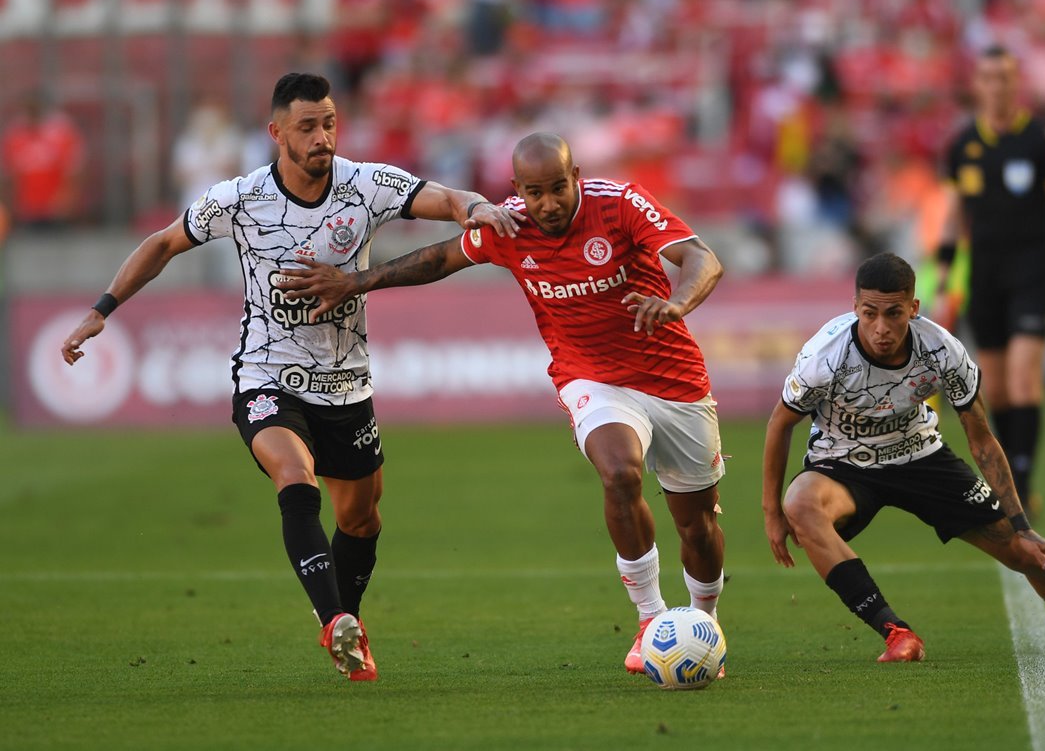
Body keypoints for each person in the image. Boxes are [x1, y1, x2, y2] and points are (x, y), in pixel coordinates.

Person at [60, 72, 523, 682]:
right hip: (267, 376)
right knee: (294, 473)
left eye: (329, 123)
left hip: (347, 384)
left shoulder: (367, 186)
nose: (322, 136)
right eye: (307, 126)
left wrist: (480, 206)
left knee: (362, 519)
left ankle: (346, 627)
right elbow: (164, 242)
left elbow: (447, 200)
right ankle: (332, 619)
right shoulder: (241, 198)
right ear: (277, 132)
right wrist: (101, 310)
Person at [276, 132, 727, 675]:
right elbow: (439, 259)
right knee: (620, 473)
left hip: (673, 379)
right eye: (535, 192)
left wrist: (676, 302)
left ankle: (704, 627)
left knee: (697, 527)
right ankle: (651, 620)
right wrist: (356, 282)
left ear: (576, 175)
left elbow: (702, 258)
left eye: (559, 188)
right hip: (591, 378)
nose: (548, 203)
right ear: (518, 190)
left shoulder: (620, 204)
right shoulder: (509, 225)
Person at [762, 252, 1045, 662]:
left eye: (893, 314)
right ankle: (896, 632)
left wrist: (1023, 525)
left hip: (920, 455)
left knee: (1021, 551)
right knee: (800, 504)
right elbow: (779, 425)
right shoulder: (826, 357)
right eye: (869, 314)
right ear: (855, 308)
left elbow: (981, 440)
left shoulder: (942, 351)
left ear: (913, 308)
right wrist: (771, 512)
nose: (881, 328)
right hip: (844, 462)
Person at [934, 45, 1045, 519]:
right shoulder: (963, 145)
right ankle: (1011, 483)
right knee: (995, 389)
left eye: (1004, 77)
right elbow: (953, 215)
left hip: (1031, 273)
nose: (996, 86)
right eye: (987, 77)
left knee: (1025, 379)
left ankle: (1019, 484)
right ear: (977, 85)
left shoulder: (1043, 140)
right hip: (984, 276)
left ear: (1016, 82)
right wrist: (942, 278)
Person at [0, 93, 85, 232]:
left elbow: (75, 170)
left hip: (55, 209)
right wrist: (11, 206)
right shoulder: (15, 135)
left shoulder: (62, 132)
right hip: (26, 209)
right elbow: (9, 175)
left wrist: (67, 201)